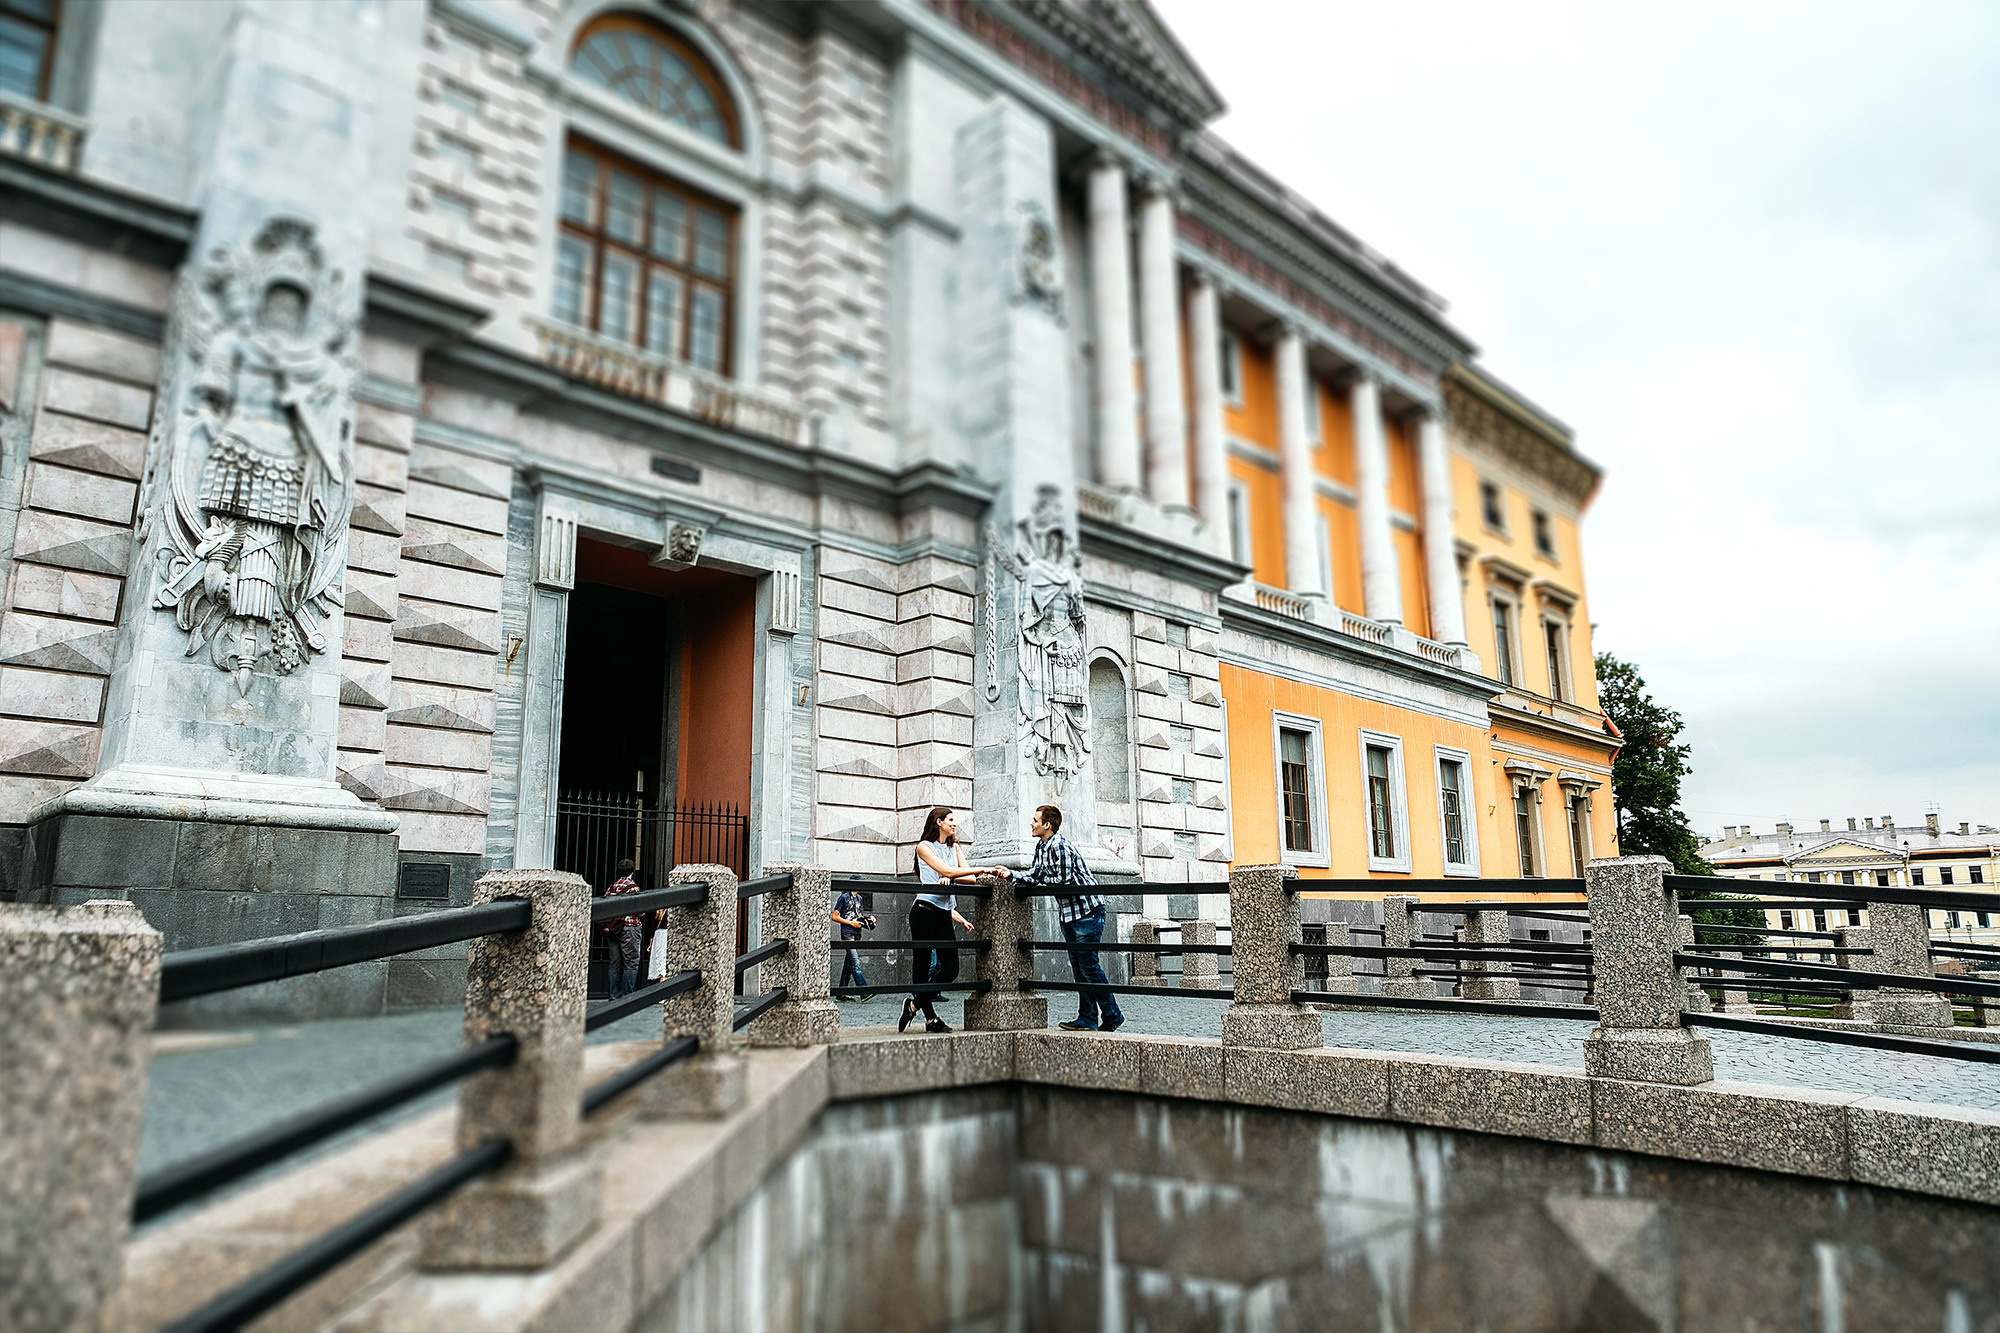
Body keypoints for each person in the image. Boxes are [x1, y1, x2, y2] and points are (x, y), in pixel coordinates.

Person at [1012, 804, 1122, 1032]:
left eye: (1035, 820)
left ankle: (1112, 1015)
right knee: (1080, 968)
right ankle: (1088, 1019)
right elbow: (1034, 873)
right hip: (1070, 914)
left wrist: (1038, 881)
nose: (1031, 824)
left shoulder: (1060, 846)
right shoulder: (1042, 846)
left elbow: (1063, 880)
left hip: (1087, 911)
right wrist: (1010, 874)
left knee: (1089, 966)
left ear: (1047, 825)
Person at [904, 807, 1006, 1034]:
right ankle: (930, 1019)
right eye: (950, 820)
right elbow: (949, 871)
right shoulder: (923, 847)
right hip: (924, 910)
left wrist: (953, 875)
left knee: (950, 969)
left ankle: (913, 1004)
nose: (954, 824)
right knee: (921, 964)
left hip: (943, 912)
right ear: (938, 822)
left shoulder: (954, 847)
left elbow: (967, 876)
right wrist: (984, 868)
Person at [603, 858, 644, 1001]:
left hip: (613, 929)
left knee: (614, 963)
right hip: (630, 927)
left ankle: (614, 996)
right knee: (631, 963)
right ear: (632, 871)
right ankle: (627, 997)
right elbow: (639, 911)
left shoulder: (612, 887)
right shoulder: (633, 888)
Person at [832, 888, 873, 993]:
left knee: (849, 964)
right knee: (855, 962)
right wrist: (850, 923)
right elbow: (834, 916)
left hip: (857, 934)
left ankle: (841, 993)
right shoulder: (843, 897)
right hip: (847, 933)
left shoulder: (859, 898)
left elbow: (858, 916)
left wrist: (869, 919)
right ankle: (864, 991)